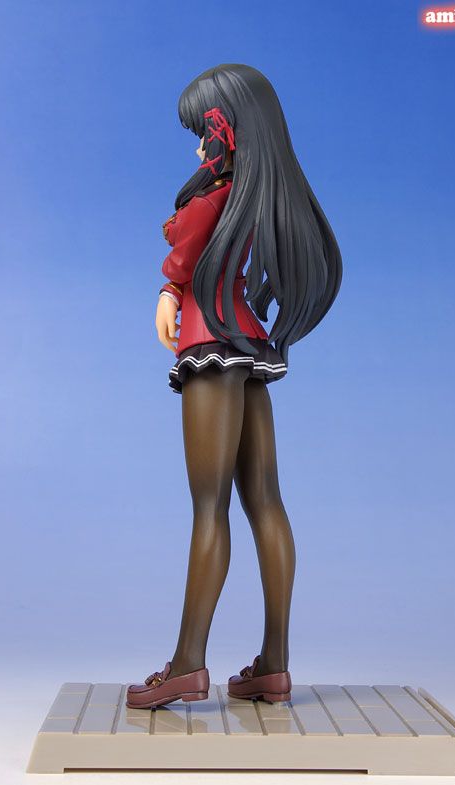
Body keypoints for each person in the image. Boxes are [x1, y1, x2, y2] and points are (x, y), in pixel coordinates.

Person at [126, 64, 342, 709]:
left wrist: (169, 288)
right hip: (246, 343)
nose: (198, 147)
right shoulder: (253, 193)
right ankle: (273, 664)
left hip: (210, 342)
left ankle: (187, 663)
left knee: (209, 506)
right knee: (266, 501)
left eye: (204, 131)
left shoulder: (214, 198)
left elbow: (188, 255)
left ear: (226, 127)